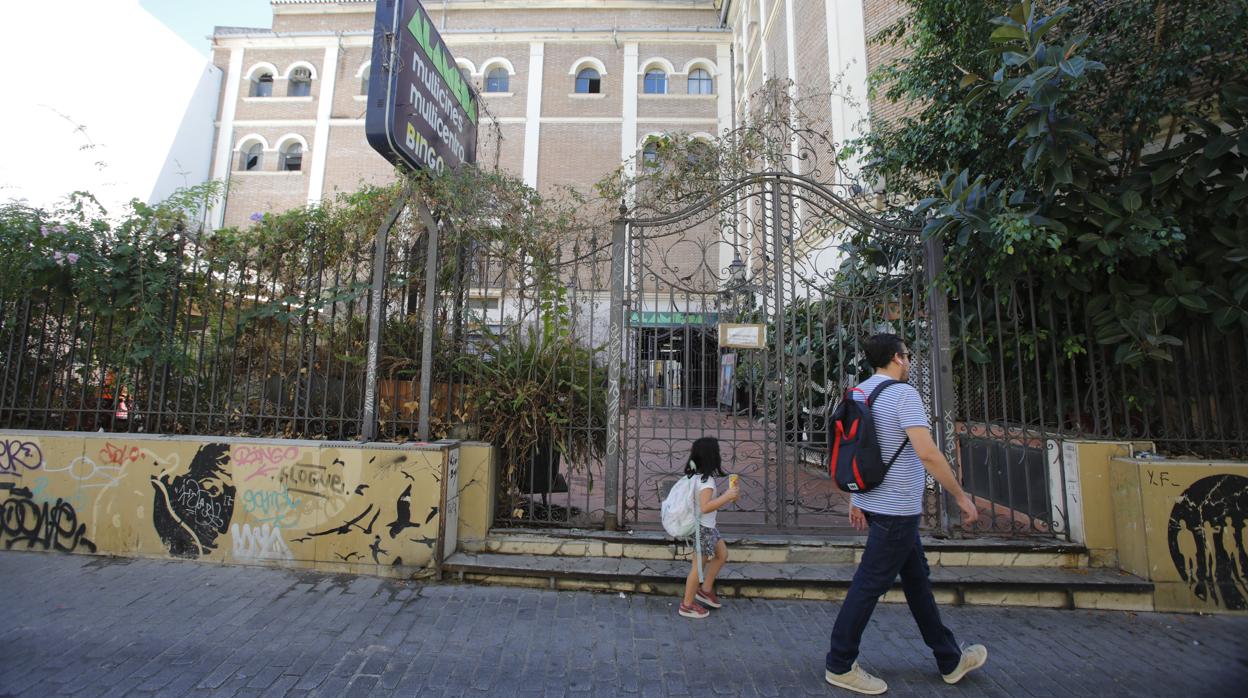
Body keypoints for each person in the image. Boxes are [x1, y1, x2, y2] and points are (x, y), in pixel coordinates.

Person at [825, 334, 987, 694]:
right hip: (896, 509)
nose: (909, 360)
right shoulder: (904, 395)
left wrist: (857, 498)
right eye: (908, 355)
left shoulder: (859, 392)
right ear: (897, 358)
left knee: (916, 583)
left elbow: (857, 449)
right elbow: (927, 453)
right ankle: (840, 663)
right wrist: (960, 496)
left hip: (879, 504)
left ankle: (949, 659)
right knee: (868, 585)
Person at [677, 436, 739, 619]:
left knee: (722, 554)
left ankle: (705, 590)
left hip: (708, 527)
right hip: (703, 529)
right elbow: (705, 507)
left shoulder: (696, 477)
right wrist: (726, 496)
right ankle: (687, 605)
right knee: (698, 568)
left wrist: (731, 494)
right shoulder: (707, 482)